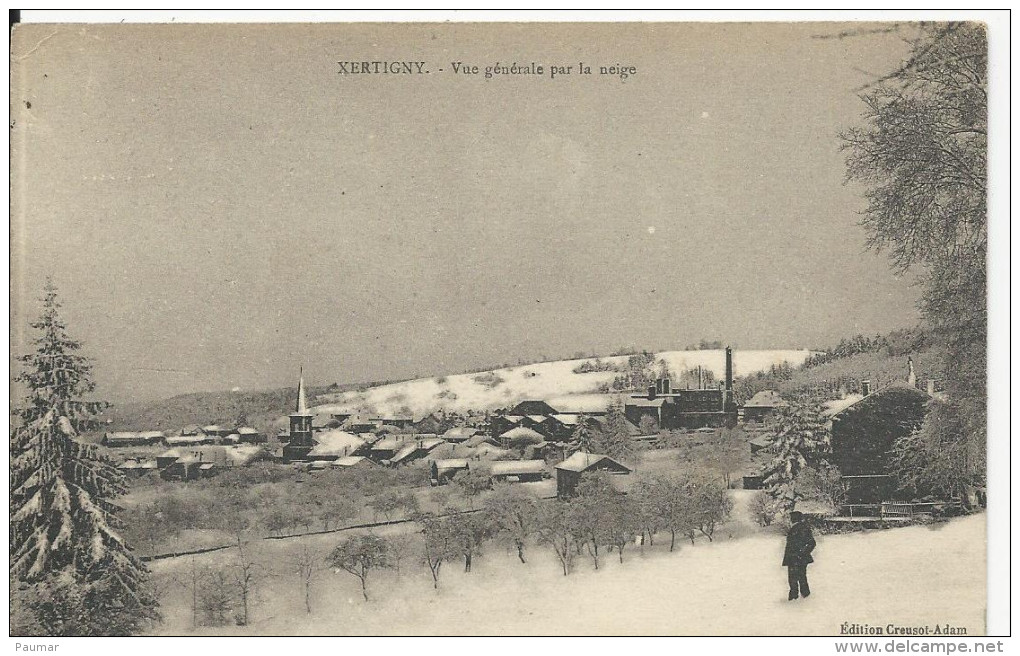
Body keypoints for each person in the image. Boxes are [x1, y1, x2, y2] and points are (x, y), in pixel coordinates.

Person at [783, 511, 816, 600]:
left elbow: (811, 543)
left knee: (793, 578)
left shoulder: (799, 529)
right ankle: (805, 595)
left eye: (791, 518)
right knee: (801, 577)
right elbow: (811, 543)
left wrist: (801, 553)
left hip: (795, 558)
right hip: (798, 558)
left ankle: (794, 598)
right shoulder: (803, 528)